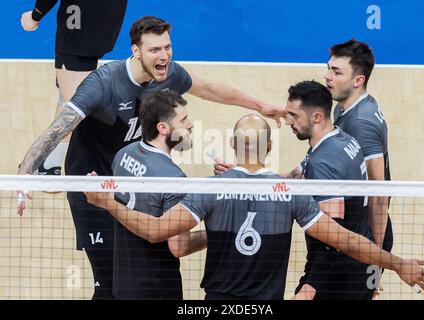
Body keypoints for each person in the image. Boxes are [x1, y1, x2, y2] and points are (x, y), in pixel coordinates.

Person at [16, 16, 285, 299]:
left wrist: (260, 105)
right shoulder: (104, 83)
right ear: (136, 51)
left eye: (167, 47)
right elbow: (58, 129)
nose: (164, 56)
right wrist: (24, 174)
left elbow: (207, 89)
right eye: (155, 50)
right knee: (108, 281)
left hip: (130, 179)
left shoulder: (168, 74)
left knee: (134, 273)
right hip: (91, 187)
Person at [85, 114, 424, 300]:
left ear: (233, 145)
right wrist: (396, 263)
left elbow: (153, 231)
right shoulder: (291, 194)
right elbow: (346, 240)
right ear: (269, 148)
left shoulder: (207, 191)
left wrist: (107, 203)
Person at [102, 90, 206, 299]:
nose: (191, 124)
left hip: (123, 282)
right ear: (163, 128)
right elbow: (179, 246)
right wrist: (216, 234)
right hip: (157, 289)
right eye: (183, 120)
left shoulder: (123, 154)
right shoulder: (173, 179)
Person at [283, 80, 375, 300]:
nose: (288, 121)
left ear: (316, 117)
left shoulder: (323, 162)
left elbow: (331, 240)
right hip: (361, 262)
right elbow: (296, 175)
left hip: (337, 277)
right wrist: (247, 176)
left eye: (294, 116)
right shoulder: (340, 139)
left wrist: (310, 287)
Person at [21, 0, 128, 175]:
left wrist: (35, 16)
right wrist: (36, 15)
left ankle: (46, 165)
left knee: (70, 107)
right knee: (78, 113)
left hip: (89, 33)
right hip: (81, 38)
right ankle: (43, 164)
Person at [324, 39, 393, 294]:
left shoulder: (361, 123)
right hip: (357, 231)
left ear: (358, 80)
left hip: (367, 237)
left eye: (336, 72)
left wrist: (375, 259)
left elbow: (379, 195)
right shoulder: (346, 106)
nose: (327, 76)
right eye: (329, 68)